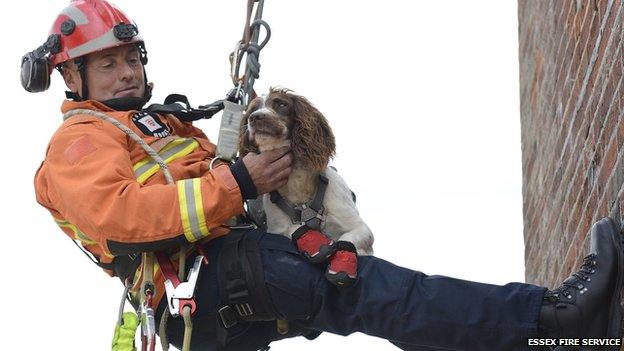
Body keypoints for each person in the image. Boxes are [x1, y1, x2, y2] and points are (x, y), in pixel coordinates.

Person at [25, 1, 623, 350]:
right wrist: (240, 180)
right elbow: (125, 217)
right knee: (374, 292)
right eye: (106, 64)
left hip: (218, 287)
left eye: (131, 58)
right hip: (205, 281)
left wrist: (252, 153)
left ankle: (551, 330)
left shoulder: (156, 127)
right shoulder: (80, 141)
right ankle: (557, 317)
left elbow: (214, 179)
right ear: (71, 78)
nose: (126, 72)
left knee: (373, 299)